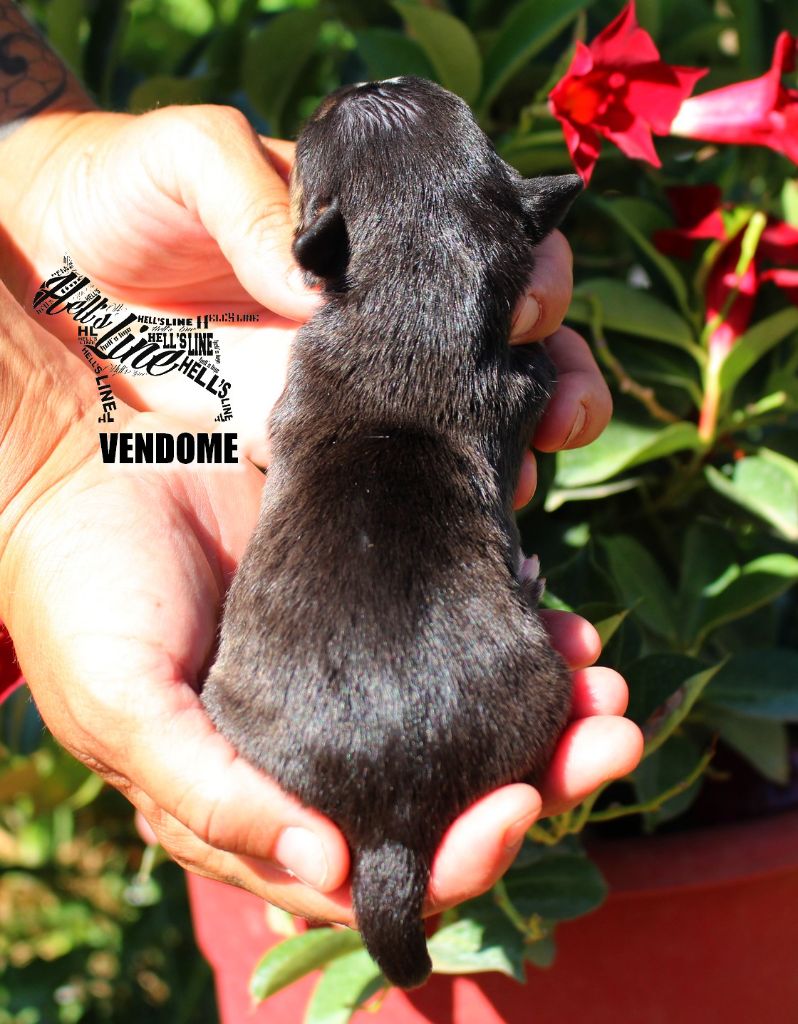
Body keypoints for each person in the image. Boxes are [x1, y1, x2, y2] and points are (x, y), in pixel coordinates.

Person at [0, 0, 642, 927]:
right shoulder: (508, 375)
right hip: (440, 725)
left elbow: (151, 433)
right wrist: (37, 473)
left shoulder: (303, 369)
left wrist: (37, 166)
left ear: (318, 251)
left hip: (300, 733)